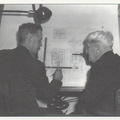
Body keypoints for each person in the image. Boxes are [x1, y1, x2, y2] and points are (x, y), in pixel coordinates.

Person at [0, 23, 63, 116]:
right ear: (29, 38)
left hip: (3, 113)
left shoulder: (2, 55)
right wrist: (57, 80)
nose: (41, 44)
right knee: (59, 114)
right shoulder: (35, 65)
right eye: (39, 40)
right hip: (25, 114)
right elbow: (47, 95)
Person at [75, 31, 120, 116]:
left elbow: (87, 101)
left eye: (88, 47)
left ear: (97, 48)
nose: (86, 52)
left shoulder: (99, 67)